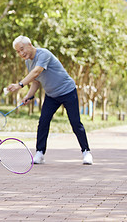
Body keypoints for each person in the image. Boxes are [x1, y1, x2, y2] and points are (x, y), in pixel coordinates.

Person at [7, 35, 93, 165]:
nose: (21, 53)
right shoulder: (28, 62)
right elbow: (36, 82)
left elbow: (37, 72)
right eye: (18, 51)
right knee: (43, 122)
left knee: (75, 123)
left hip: (67, 91)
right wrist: (29, 96)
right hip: (52, 95)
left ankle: (86, 152)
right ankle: (40, 153)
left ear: (30, 45)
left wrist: (19, 85)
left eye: (22, 49)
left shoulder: (43, 54)